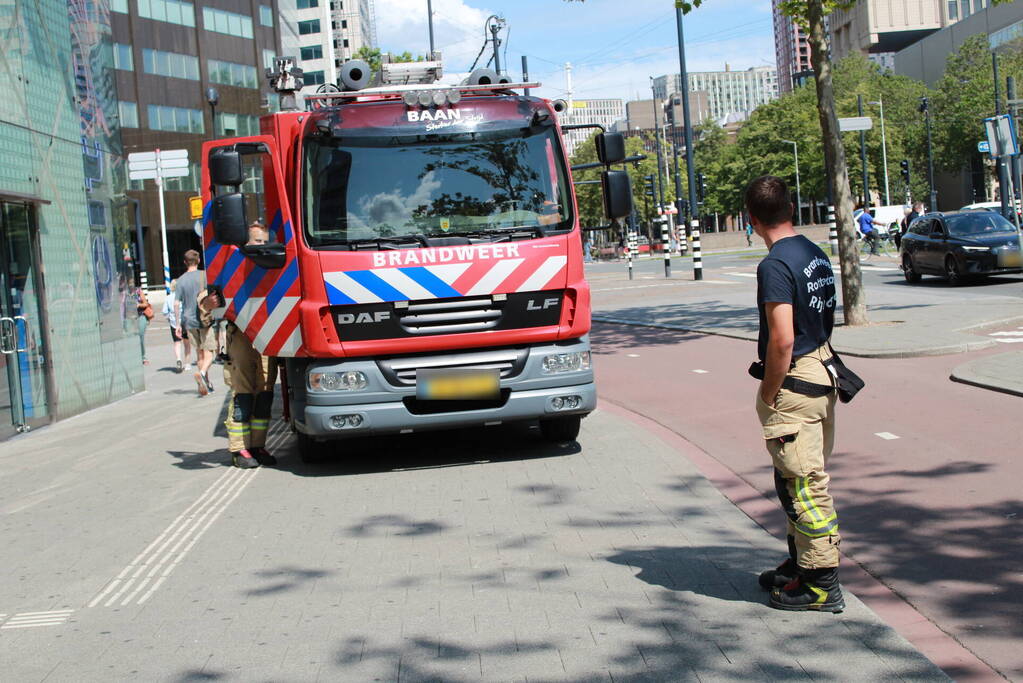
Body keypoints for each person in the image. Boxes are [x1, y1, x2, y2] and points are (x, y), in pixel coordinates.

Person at [747, 175, 844, 613]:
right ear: (790, 209)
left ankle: (822, 584)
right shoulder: (813, 253)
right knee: (794, 479)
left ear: (752, 219)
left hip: (795, 381)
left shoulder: (776, 265)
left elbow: (782, 339)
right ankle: (801, 565)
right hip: (823, 374)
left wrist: (769, 390)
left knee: (804, 485)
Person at [215, 222, 279, 468]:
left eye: (264, 241)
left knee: (264, 394)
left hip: (266, 337)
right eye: (256, 241)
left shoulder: (272, 267)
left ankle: (257, 445)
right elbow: (210, 293)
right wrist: (208, 303)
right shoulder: (230, 268)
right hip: (240, 336)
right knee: (242, 394)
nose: (261, 246)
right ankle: (238, 449)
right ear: (244, 244)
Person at [174, 250, 216, 396]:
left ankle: (205, 385)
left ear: (185, 262)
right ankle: (202, 372)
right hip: (205, 318)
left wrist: (178, 324)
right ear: (198, 261)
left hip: (188, 320)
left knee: (199, 354)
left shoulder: (180, 280)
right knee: (210, 351)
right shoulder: (205, 275)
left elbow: (176, 303)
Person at [162, 279, 184, 373]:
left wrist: (169, 318)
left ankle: (179, 358)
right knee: (186, 342)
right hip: (184, 321)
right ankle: (187, 362)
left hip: (174, 323)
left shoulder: (168, 298)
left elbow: (164, 311)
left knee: (177, 342)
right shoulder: (183, 297)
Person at [136, 286, 153, 365]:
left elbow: (145, 303)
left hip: (140, 316)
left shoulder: (138, 291)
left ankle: (143, 357)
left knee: (140, 335)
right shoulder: (123, 292)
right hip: (129, 317)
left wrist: (138, 305)